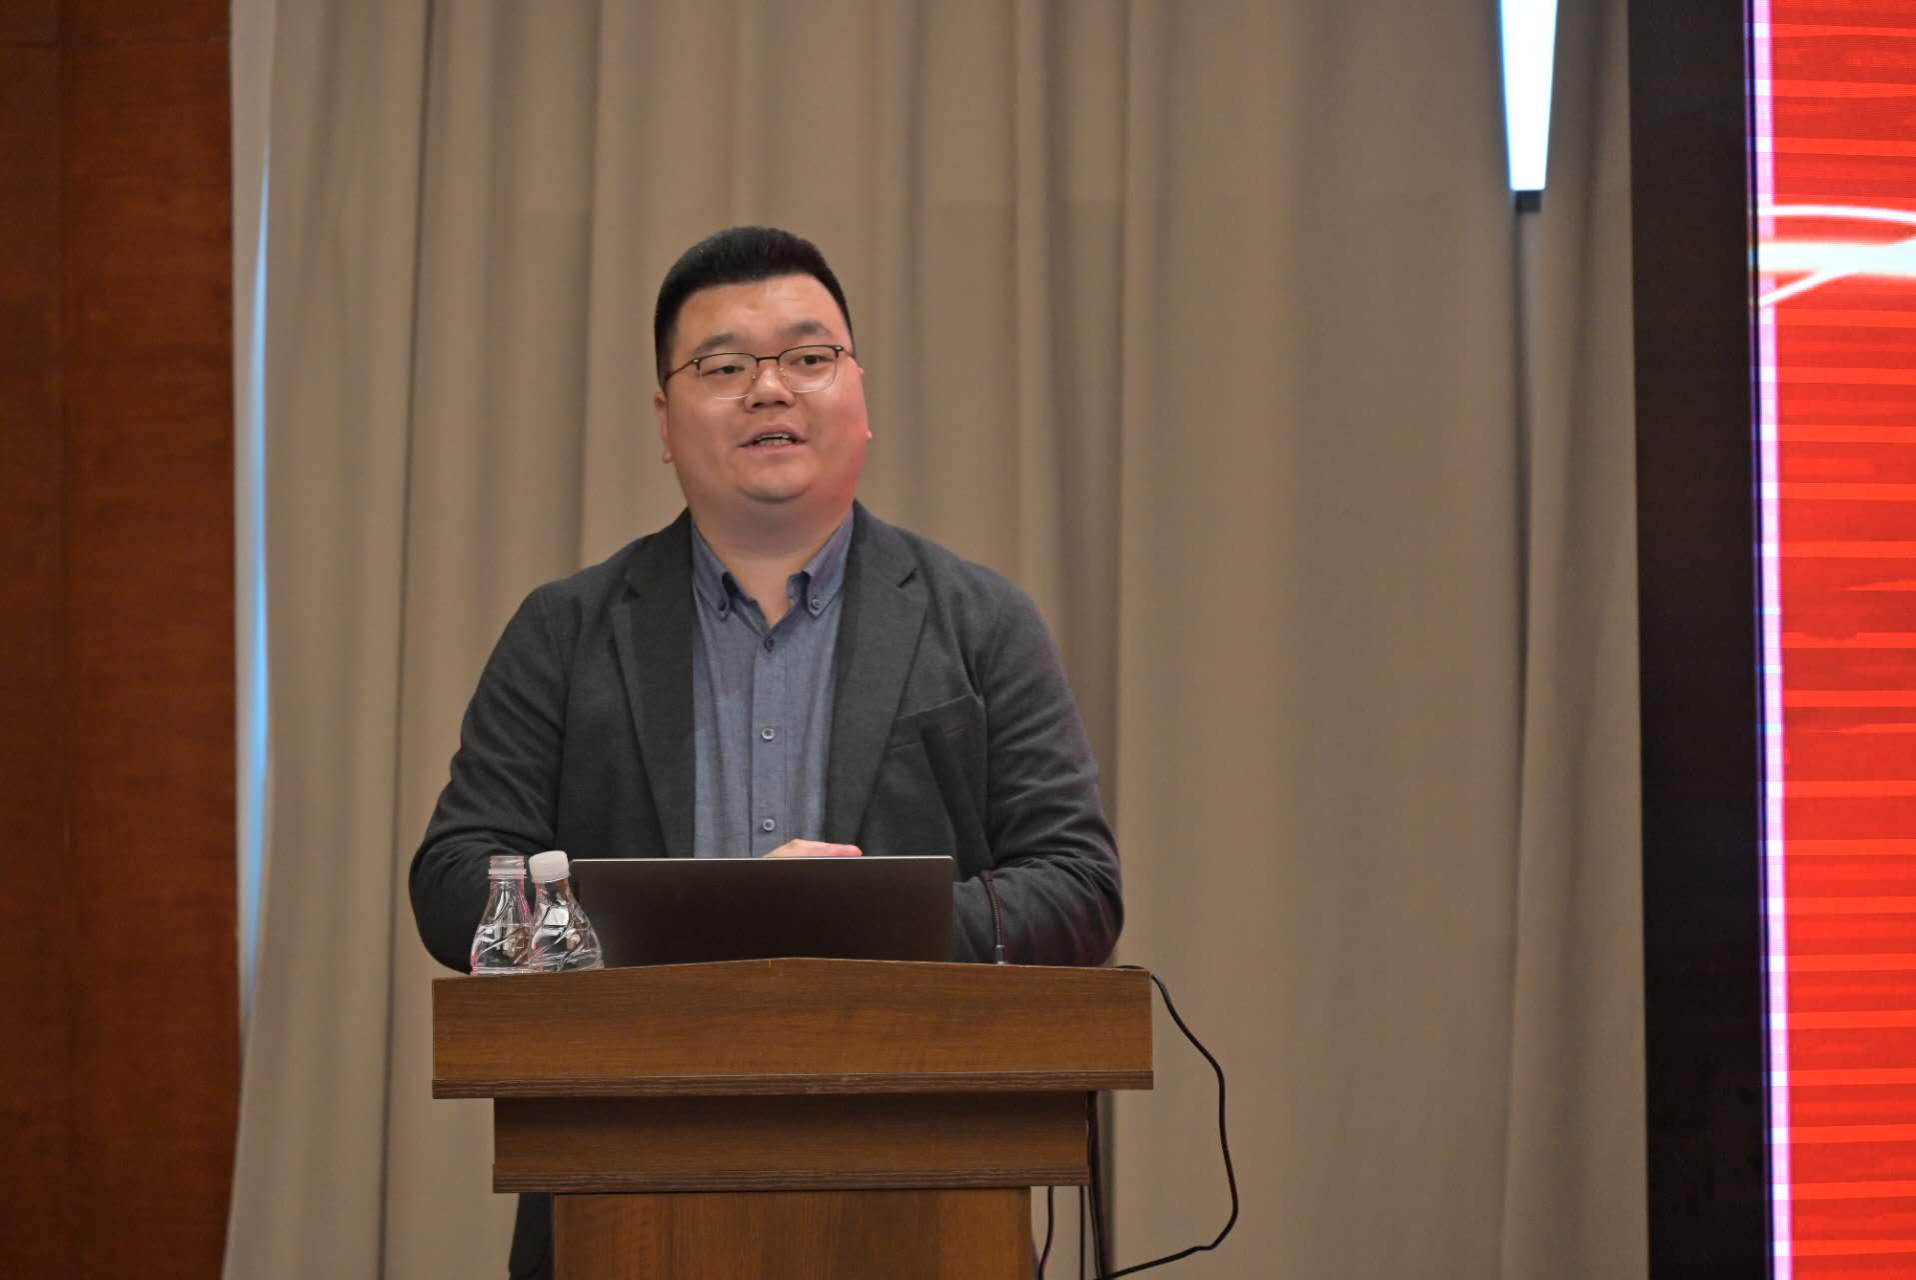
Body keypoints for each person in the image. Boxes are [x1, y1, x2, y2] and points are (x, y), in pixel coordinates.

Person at [409, 225, 1123, 1278]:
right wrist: (694, 924)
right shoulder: (565, 633)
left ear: (859, 395)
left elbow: (1078, 887)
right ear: (665, 421)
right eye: (723, 367)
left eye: (807, 356)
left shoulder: (978, 622)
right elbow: (451, 883)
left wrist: (858, 921)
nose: (769, 389)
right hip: (627, 1190)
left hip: (923, 1189)